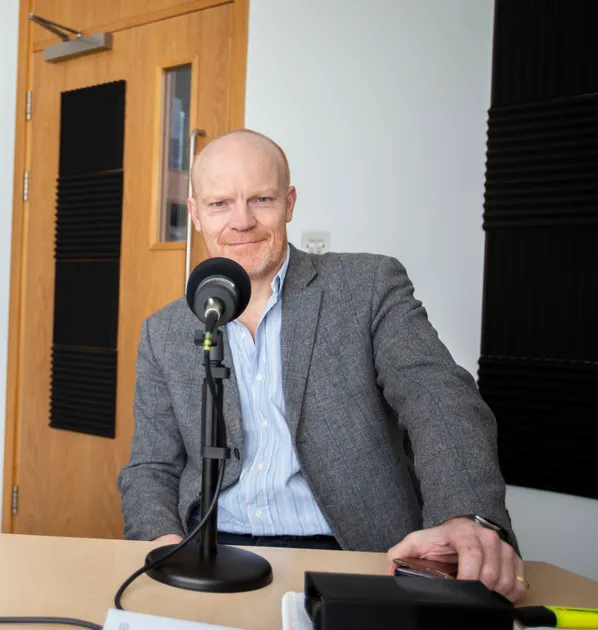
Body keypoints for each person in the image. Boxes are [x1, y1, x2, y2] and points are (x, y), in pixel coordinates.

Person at [118, 130, 527, 602]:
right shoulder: (163, 330)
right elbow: (150, 465)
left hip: (348, 552)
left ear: (289, 203)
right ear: (195, 213)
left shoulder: (367, 286)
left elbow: (439, 399)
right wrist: (162, 543)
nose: (243, 221)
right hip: (206, 550)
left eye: (262, 199)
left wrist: (465, 515)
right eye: (220, 204)